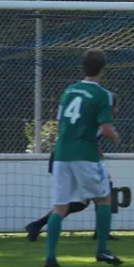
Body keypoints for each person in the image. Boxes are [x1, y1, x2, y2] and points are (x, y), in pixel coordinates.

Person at [45, 48, 121, 267]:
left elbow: (61, 122)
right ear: (103, 70)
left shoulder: (69, 91)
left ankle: (50, 257)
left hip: (61, 154)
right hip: (85, 154)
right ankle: (102, 251)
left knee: (60, 207)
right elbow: (106, 129)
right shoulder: (102, 95)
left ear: (83, 67)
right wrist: (115, 136)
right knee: (104, 199)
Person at [26, 94, 119, 243]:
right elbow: (90, 140)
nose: (116, 110)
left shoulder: (85, 116)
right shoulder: (99, 120)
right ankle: (102, 233)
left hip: (63, 157)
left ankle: (36, 226)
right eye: (115, 106)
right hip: (77, 160)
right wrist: (103, 151)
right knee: (102, 190)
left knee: (80, 203)